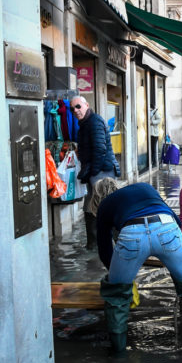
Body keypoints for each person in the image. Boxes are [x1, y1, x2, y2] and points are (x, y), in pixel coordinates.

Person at [92, 179, 182, 354]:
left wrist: (118, 278)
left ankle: (118, 356)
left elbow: (104, 249)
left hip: (131, 235)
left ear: (98, 197)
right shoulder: (144, 187)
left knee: (116, 296)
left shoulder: (105, 205)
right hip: (167, 228)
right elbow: (176, 220)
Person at [72, 95, 120, 249]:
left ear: (86, 105)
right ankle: (94, 244)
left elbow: (100, 149)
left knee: (105, 206)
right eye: (73, 109)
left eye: (78, 106)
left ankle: (118, 243)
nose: (76, 110)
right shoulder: (85, 123)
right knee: (91, 206)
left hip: (101, 171)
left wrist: (92, 171)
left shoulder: (94, 121)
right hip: (96, 171)